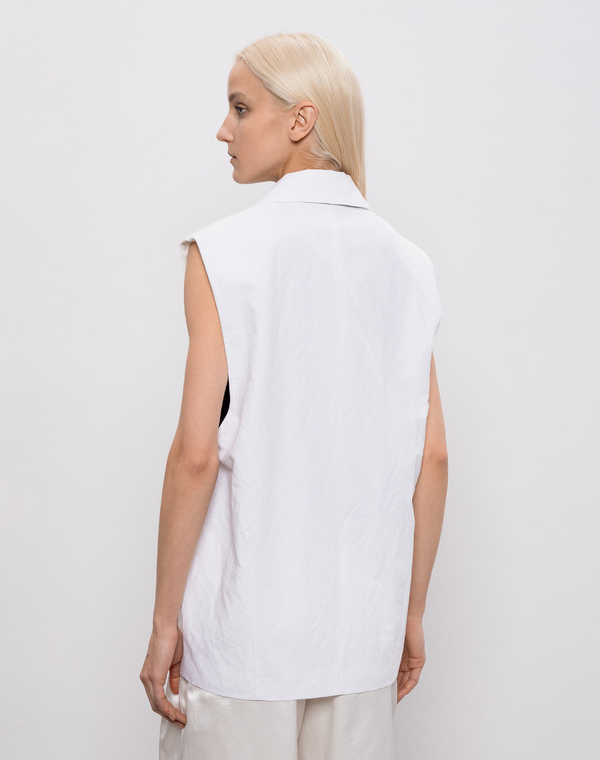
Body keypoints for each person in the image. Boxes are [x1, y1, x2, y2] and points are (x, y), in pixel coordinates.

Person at [140, 31, 448, 760]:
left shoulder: (223, 253)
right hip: (361, 638)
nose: (224, 130)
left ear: (302, 119)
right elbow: (432, 458)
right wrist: (411, 613)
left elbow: (195, 455)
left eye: (241, 107)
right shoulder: (409, 264)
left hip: (245, 639)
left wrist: (163, 623)